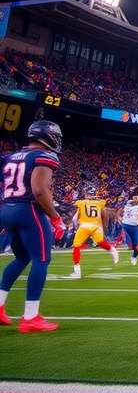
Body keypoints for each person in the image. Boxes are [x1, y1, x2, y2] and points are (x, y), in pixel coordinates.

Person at [0, 120, 66, 332]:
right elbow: (39, 190)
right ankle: (30, 317)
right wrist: (55, 218)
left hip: (7, 207)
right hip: (28, 210)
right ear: (49, 136)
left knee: (21, 257)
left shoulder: (11, 156)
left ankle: (0, 305)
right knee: (42, 259)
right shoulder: (44, 156)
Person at [68, 185, 119, 278]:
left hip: (85, 226)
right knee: (101, 242)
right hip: (96, 226)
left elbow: (72, 206)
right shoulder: (100, 203)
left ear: (86, 194)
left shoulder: (81, 202)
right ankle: (112, 250)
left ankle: (77, 271)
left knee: (76, 246)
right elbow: (108, 204)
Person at [119, 191, 138, 266]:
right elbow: (119, 212)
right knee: (130, 244)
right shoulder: (127, 204)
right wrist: (119, 218)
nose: (136, 199)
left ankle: (134, 257)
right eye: (135, 197)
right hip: (126, 226)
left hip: (135, 227)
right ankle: (132, 249)